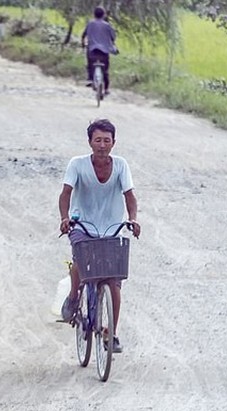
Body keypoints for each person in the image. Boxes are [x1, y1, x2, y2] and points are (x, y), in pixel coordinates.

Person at [58, 119, 141, 353]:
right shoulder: (77, 164)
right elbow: (65, 194)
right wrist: (65, 218)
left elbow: (130, 196)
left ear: (114, 142)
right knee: (80, 261)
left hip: (112, 227)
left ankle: (111, 333)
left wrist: (133, 219)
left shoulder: (121, 166)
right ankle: (74, 297)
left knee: (113, 281)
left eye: (107, 140)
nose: (102, 145)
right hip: (82, 224)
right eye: (98, 140)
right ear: (89, 142)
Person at [81, 6, 117, 94]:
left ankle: (90, 78)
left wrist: (83, 43)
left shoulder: (90, 24)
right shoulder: (107, 25)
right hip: (104, 51)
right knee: (105, 69)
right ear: (104, 15)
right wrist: (112, 43)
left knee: (90, 64)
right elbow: (113, 37)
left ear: (94, 14)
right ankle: (107, 88)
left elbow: (84, 35)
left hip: (92, 50)